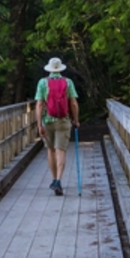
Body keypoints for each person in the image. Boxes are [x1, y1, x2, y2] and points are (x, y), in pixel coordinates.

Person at [34, 57, 80, 196]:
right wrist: (76, 120)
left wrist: (39, 124)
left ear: (49, 69)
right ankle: (59, 180)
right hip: (63, 121)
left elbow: (39, 104)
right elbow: (73, 103)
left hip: (47, 121)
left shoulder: (42, 82)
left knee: (50, 150)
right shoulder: (68, 82)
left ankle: (54, 179)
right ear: (60, 69)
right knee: (61, 151)